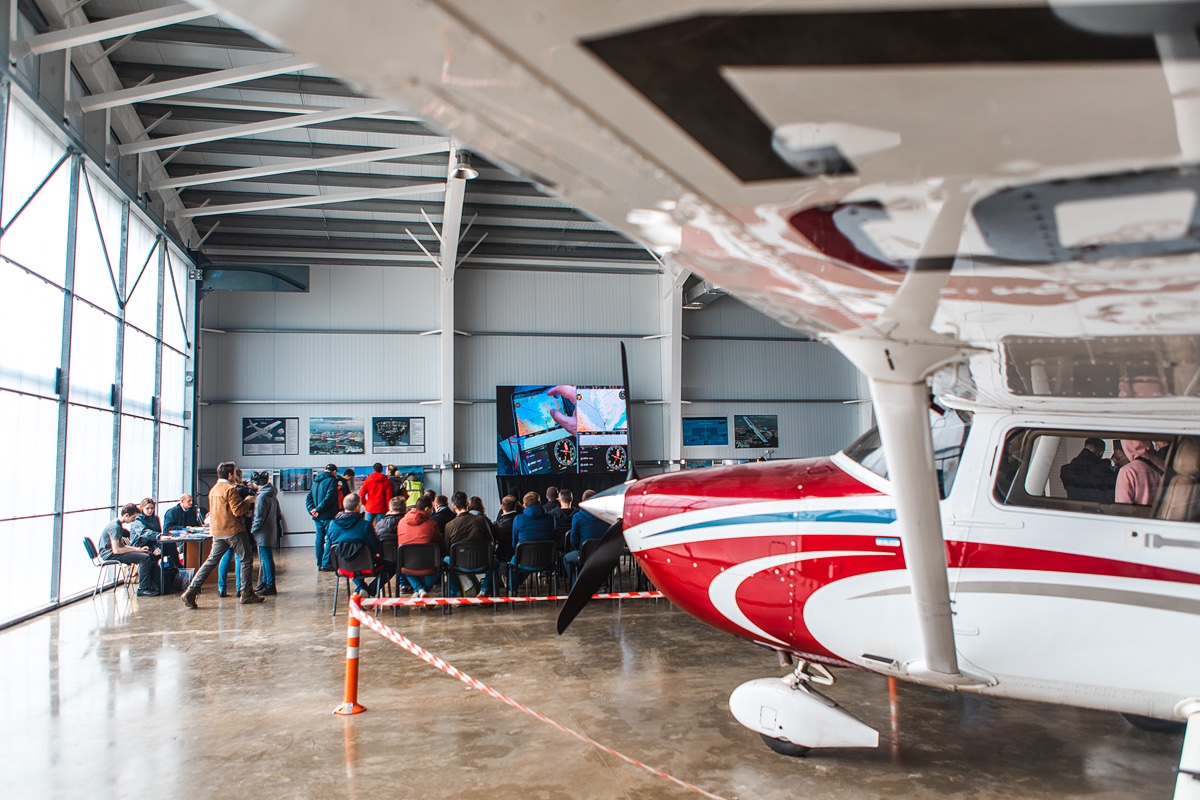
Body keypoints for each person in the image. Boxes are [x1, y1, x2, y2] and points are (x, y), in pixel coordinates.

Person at [182, 461, 262, 608]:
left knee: (211, 562)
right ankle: (246, 593)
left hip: (218, 531)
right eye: (234, 472)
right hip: (234, 530)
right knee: (246, 560)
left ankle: (191, 590)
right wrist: (248, 501)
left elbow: (224, 511)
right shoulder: (230, 489)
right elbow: (237, 511)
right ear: (230, 474)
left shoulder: (214, 489)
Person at [327, 493, 395, 596]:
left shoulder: (332, 525)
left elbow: (331, 544)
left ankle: (362, 588)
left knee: (351, 561)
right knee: (392, 566)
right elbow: (376, 547)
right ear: (358, 507)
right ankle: (370, 590)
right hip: (366, 565)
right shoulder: (365, 526)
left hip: (342, 566)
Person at [100, 503, 166, 596]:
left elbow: (122, 546)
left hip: (112, 552)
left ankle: (151, 585)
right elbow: (117, 550)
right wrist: (137, 550)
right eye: (133, 517)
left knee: (146, 555)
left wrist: (139, 549)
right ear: (126, 515)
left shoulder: (118, 525)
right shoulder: (115, 527)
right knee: (145, 558)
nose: (134, 520)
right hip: (109, 554)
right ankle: (143, 588)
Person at [443, 494, 496, 596]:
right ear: (467, 503)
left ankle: (457, 594)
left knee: (445, 562)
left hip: (458, 565)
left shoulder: (449, 525)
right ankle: (484, 590)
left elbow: (447, 548)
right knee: (495, 562)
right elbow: (491, 541)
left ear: (454, 507)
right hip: (482, 563)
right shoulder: (480, 520)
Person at [395, 496, 441, 597]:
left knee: (405, 567)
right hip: (429, 565)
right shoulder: (431, 524)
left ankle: (419, 590)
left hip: (406, 566)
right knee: (440, 565)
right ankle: (422, 590)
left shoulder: (401, 522)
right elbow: (439, 543)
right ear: (427, 509)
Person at [563, 489, 609, 587]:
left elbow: (573, 539)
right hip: (603, 555)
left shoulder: (577, 517)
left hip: (584, 555)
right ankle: (602, 584)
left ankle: (577, 586)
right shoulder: (605, 516)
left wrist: (580, 550)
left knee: (566, 558)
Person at [510, 490, 555, 591]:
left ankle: (513, 591)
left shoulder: (518, 519)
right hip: (546, 559)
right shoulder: (550, 518)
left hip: (523, 558)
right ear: (539, 502)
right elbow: (552, 536)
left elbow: (515, 543)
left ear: (524, 505)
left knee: (513, 563)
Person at [250, 470, 281, 596]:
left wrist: (252, 531)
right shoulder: (272, 494)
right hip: (270, 529)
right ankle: (265, 582)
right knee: (265, 558)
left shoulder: (261, 497)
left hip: (263, 532)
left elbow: (259, 518)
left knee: (266, 559)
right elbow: (278, 512)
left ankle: (270, 584)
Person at [1059, 438, 1118, 503]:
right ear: (1101, 453)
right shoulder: (1102, 471)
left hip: (1074, 507)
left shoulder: (1066, 470)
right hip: (1097, 508)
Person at [130, 497, 182, 569]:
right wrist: (159, 537)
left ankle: (177, 568)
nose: (150, 510)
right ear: (142, 508)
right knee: (152, 555)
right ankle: (158, 571)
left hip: (153, 545)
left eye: (152, 508)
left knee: (170, 544)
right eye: (147, 508)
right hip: (140, 546)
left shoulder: (155, 518)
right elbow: (144, 532)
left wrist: (157, 547)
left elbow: (158, 533)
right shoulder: (137, 519)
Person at [306, 464, 340, 571]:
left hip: (317, 517)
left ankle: (319, 563)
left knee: (319, 540)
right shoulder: (332, 480)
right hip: (328, 515)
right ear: (334, 471)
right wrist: (318, 509)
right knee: (330, 539)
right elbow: (329, 498)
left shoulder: (316, 480)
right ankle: (326, 563)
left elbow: (309, 498)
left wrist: (312, 510)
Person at [1116, 440, 1166, 505]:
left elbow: (1122, 507)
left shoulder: (1127, 471)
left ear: (1127, 447)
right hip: (1166, 511)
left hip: (1141, 511)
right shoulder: (1166, 464)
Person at [374, 496, 406, 566]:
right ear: (405, 508)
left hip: (385, 561)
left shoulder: (380, 524)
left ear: (390, 508)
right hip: (407, 560)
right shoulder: (409, 524)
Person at [493, 495, 519, 566]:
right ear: (515, 506)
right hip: (519, 555)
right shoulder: (521, 521)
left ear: (502, 507)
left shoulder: (496, 524)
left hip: (502, 556)